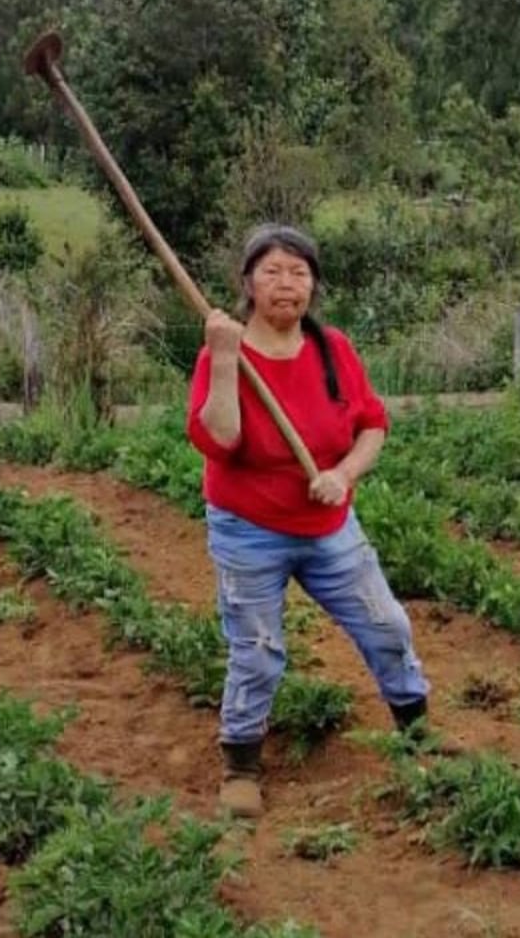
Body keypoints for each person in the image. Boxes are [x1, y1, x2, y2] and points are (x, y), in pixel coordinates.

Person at [186, 222, 434, 819]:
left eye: (298, 273)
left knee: (386, 624)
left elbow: (372, 424)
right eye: (271, 272)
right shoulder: (225, 352)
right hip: (249, 529)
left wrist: (343, 475)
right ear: (247, 283)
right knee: (258, 648)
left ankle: (418, 732)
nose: (285, 284)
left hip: (328, 525)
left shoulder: (333, 350)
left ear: (314, 287)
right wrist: (224, 360)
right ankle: (241, 764)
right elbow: (220, 438)